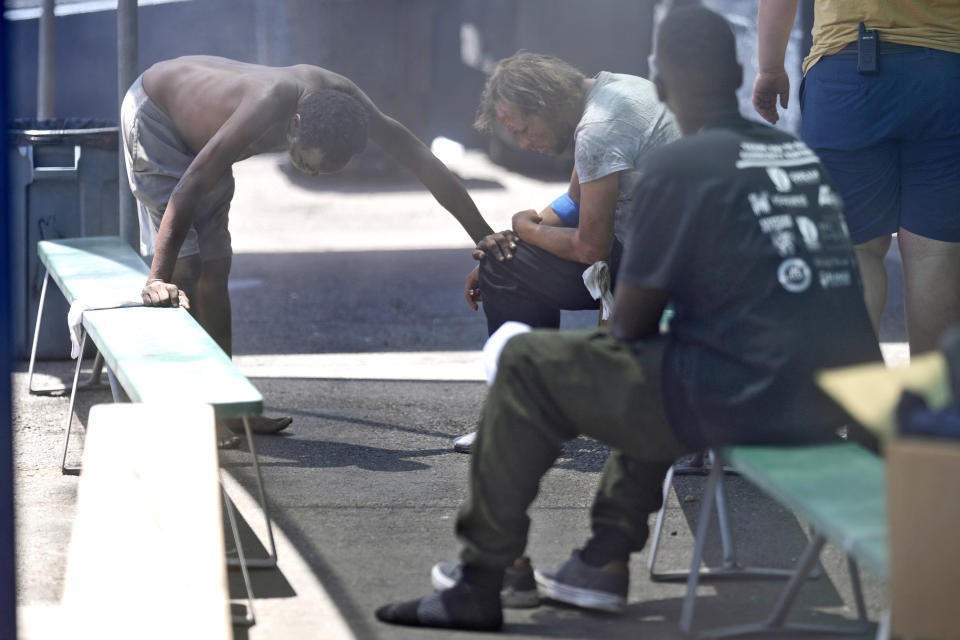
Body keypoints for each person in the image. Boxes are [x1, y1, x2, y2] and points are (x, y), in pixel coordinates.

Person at [375, 6, 882, 631]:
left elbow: (630, 325)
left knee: (531, 362)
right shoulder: (797, 159)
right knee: (665, 372)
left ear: (664, 86)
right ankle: (601, 562)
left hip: (742, 402)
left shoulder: (675, 169)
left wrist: (564, 396)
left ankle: (484, 577)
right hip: (828, 407)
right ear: (736, 73)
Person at [120, 55, 495, 437]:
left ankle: (227, 407)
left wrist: (483, 234)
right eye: (304, 162)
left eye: (319, 172)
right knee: (185, 271)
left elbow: (421, 160)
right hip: (159, 118)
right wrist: (156, 278)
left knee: (216, 269)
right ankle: (190, 412)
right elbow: (189, 188)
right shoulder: (265, 104)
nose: (310, 172)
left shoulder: (346, 104)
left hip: (206, 145)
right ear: (294, 126)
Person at [452, 51, 680, 452]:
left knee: (505, 269)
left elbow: (591, 247)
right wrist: (513, 241)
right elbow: (576, 199)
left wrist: (522, 228)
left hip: (669, 271)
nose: (524, 144)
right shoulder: (618, 87)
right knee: (505, 260)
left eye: (524, 130)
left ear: (544, 103)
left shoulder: (598, 129)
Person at [752, 0, 960, 355]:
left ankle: (856, 405)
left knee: (854, 252)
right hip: (946, 71)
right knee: (934, 252)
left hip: (848, 74)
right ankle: (935, 405)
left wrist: (771, 67)